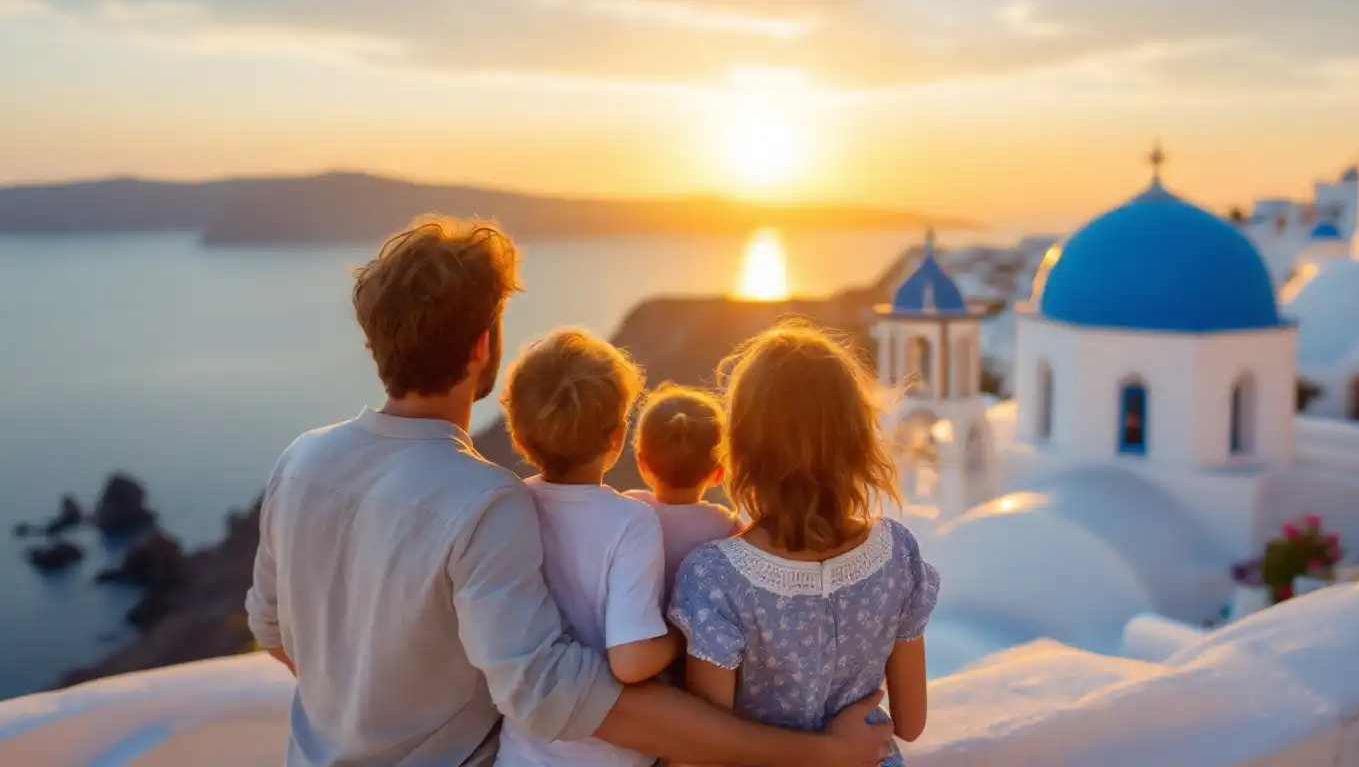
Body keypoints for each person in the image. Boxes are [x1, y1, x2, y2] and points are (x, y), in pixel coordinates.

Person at [244, 216, 892, 767]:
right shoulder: (483, 502)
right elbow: (563, 700)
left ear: (375, 339)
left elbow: (273, 631)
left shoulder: (300, 461)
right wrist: (819, 756)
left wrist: (375, 693)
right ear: (482, 348)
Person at [669, 322, 941, 767]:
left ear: (741, 447)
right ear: (858, 441)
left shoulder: (714, 578)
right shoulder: (898, 553)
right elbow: (909, 724)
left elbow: (705, 751)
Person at [494, 328, 676, 767]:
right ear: (617, 438)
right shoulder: (630, 521)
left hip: (520, 755)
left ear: (518, 435)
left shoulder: (506, 506)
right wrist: (681, 634)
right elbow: (631, 662)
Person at [624, 384, 741, 593]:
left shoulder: (629, 507)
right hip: (692, 624)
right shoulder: (726, 526)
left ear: (642, 464)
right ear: (719, 473)